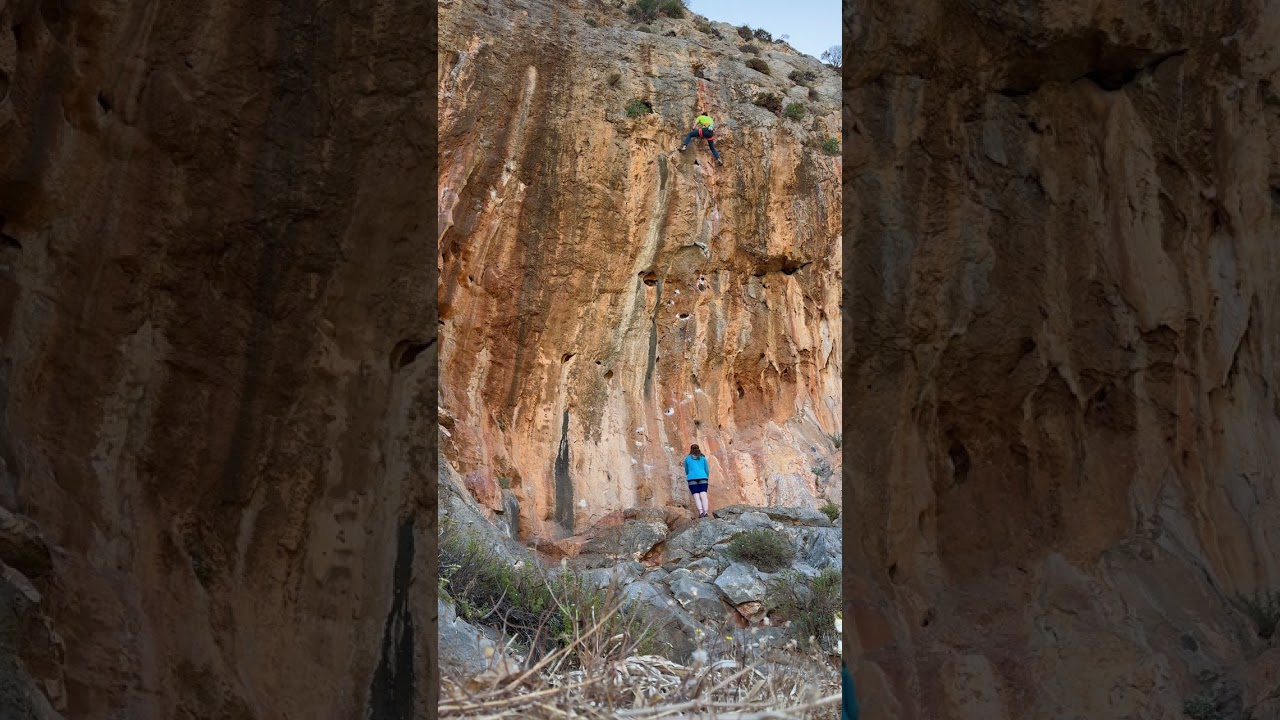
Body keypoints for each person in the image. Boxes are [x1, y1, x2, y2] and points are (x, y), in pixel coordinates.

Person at [683, 444, 712, 518]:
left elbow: (686, 470)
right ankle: (706, 512)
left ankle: (701, 512)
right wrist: (706, 477)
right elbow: (707, 470)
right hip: (703, 477)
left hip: (692, 478)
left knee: (696, 496)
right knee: (703, 495)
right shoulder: (703, 458)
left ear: (691, 450)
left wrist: (690, 474)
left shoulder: (687, 459)